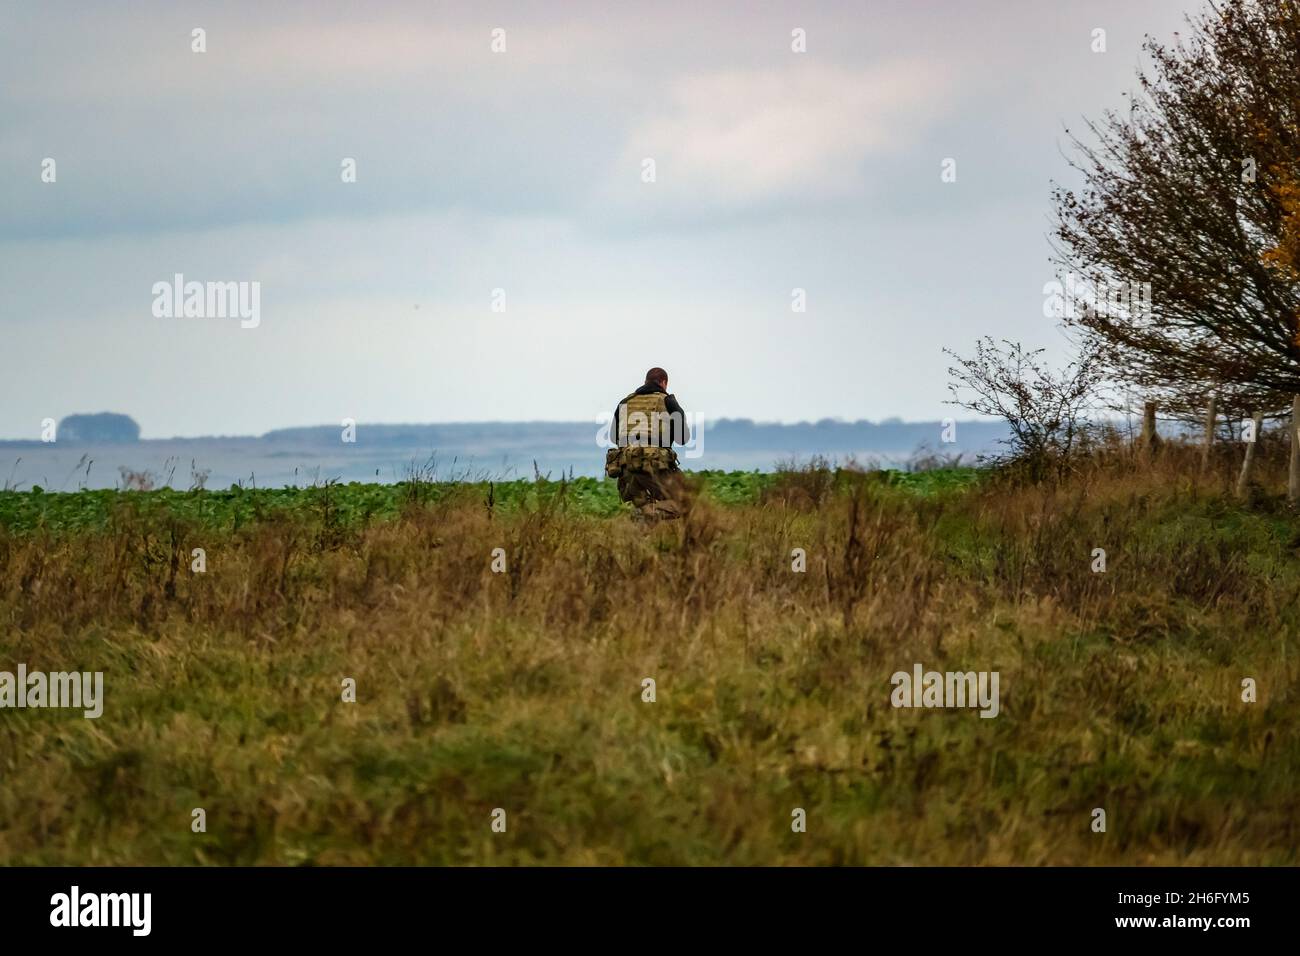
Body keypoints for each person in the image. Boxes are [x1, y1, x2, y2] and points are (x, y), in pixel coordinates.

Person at [606, 367, 690, 519]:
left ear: (645, 381)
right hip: (654, 468)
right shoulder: (668, 401)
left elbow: (614, 438)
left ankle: (642, 526)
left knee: (646, 507)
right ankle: (645, 514)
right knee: (686, 503)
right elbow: (683, 439)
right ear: (664, 383)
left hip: (627, 472)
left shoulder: (624, 402)